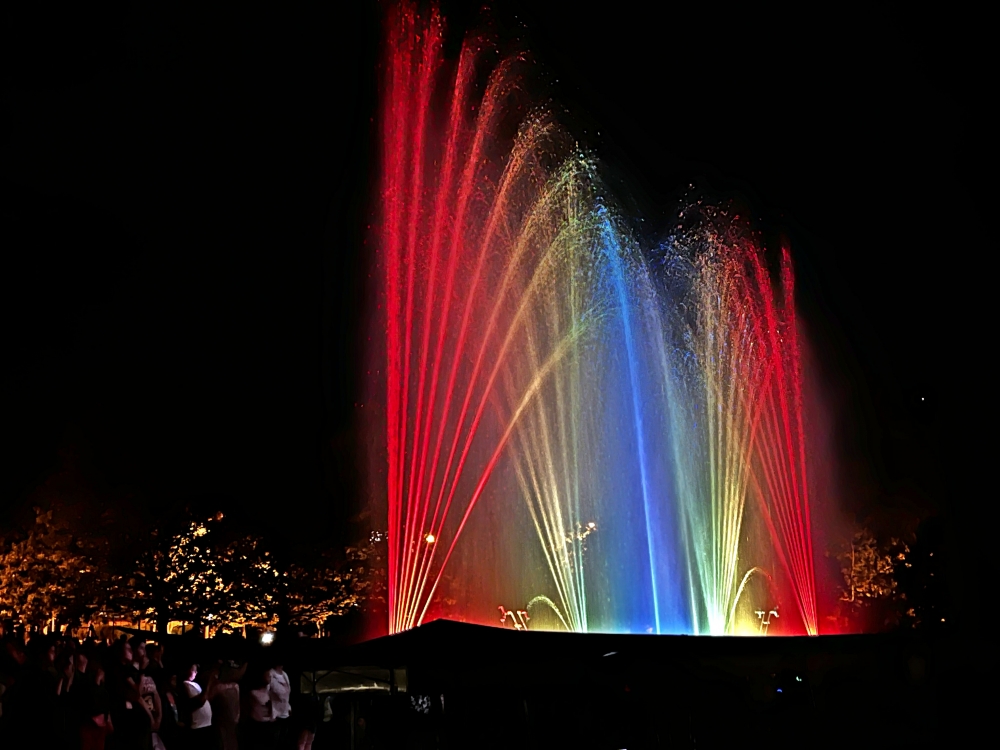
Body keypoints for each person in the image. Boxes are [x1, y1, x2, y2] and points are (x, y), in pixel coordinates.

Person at [182, 662, 219, 750]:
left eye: (196, 670)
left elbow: (206, 698)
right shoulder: (185, 684)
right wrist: (209, 681)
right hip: (198, 726)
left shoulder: (195, 684)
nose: (195, 672)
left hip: (206, 725)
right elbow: (200, 701)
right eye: (193, 670)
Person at [242, 666, 277, 750]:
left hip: (270, 725)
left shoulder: (270, 690)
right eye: (268, 675)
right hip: (257, 726)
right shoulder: (253, 693)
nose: (270, 676)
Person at [268, 662, 291, 746]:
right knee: (275, 742)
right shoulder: (270, 674)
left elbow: (287, 693)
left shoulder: (284, 674)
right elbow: (266, 694)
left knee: (283, 741)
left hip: (285, 713)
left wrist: (289, 707)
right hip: (275, 715)